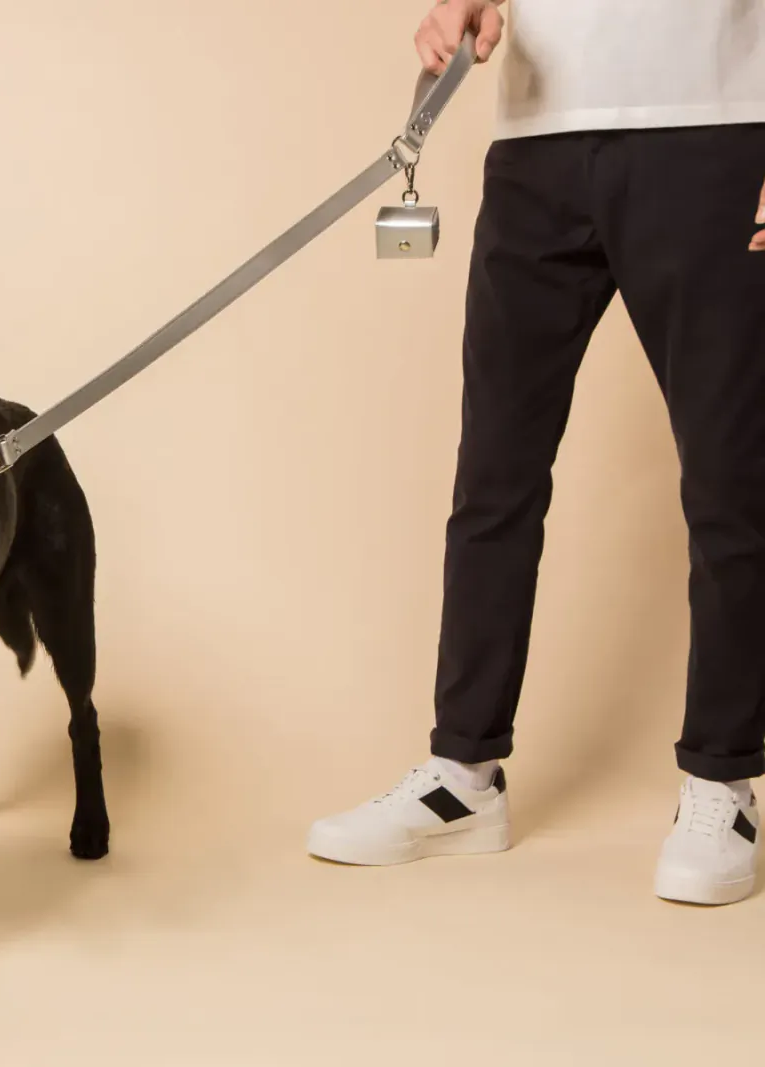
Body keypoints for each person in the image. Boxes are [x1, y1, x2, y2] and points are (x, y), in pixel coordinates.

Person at [307, 0, 765, 906]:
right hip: (536, 141)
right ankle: (463, 773)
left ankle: (724, 780)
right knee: (495, 473)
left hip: (713, 129)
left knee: (729, 478)